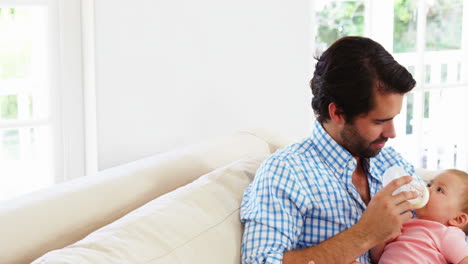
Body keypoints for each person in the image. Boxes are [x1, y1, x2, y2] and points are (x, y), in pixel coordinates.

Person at [240, 36, 419, 264]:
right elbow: (261, 261)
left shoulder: (389, 160)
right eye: (379, 121)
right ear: (338, 114)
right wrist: (365, 234)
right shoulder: (287, 172)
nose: (392, 133)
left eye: (393, 119)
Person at [372, 169, 468, 264]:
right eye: (429, 185)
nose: (427, 189)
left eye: (439, 190)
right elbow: (377, 258)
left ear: (457, 219)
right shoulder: (402, 222)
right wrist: (381, 240)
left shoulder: (447, 234)